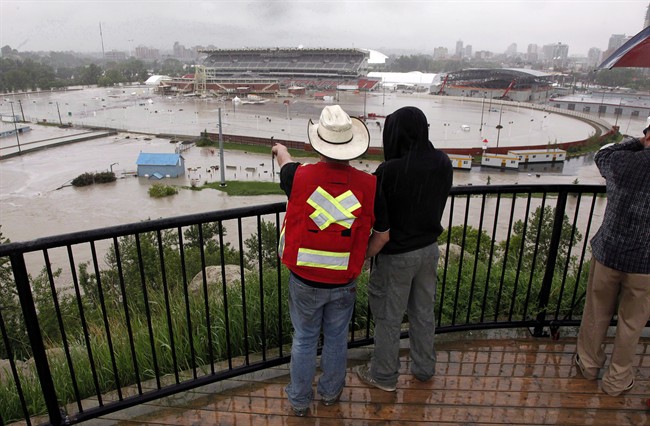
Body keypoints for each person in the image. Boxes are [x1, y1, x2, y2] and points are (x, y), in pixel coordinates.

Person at [272, 105, 384, 416]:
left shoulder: (298, 177)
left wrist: (280, 150)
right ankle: (331, 395)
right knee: (336, 340)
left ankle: (298, 400)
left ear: (318, 142)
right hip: (344, 280)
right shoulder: (369, 185)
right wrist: (359, 259)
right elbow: (381, 234)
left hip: (304, 279)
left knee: (305, 339)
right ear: (351, 145)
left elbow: (286, 164)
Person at [356, 106, 453, 392]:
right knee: (423, 312)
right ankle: (424, 368)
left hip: (397, 256)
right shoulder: (442, 162)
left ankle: (384, 375)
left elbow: (377, 216)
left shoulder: (390, 171)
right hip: (428, 251)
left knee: (388, 316)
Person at [574, 123, 650, 396]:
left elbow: (602, 154)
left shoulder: (619, 162)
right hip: (646, 265)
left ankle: (589, 365)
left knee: (597, 312)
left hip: (609, 252)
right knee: (632, 323)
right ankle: (617, 381)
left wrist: (637, 142)